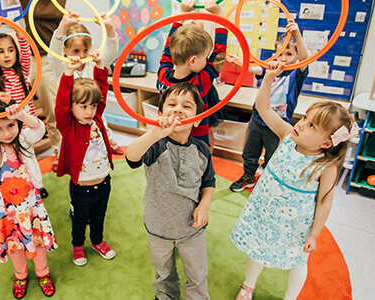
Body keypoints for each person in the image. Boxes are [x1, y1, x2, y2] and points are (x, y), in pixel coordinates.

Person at [230, 61, 357, 300]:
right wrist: (268, 78)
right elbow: (264, 108)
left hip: (295, 226)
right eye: (305, 117)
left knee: (297, 262)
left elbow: (324, 202)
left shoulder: (326, 166)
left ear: (326, 143)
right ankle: (248, 286)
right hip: (265, 210)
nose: (300, 123)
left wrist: (314, 235)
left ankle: (290, 297)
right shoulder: (287, 135)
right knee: (257, 250)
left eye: (311, 125)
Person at [126, 82, 216, 300]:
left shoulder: (202, 150)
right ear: (159, 113)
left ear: (197, 119)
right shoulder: (155, 144)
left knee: (197, 273)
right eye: (172, 104)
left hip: (191, 230)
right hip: (158, 228)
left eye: (187, 106)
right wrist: (154, 133)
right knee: (164, 272)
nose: (177, 109)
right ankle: (166, 296)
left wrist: (204, 206)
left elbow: (209, 182)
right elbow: (131, 156)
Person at [0, 95, 57, 299]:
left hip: (31, 204)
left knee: (37, 240)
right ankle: (20, 275)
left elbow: (40, 129)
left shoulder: (24, 137)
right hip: (7, 207)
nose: (6, 133)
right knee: (15, 245)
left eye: (11, 125)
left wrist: (23, 115)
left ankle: (43, 272)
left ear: (18, 124)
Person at [228, 19, 309, 192]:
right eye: (279, 53)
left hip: (278, 126)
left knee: (273, 157)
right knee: (250, 153)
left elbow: (304, 58)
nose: (283, 59)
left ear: (295, 57)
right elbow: (253, 69)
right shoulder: (269, 69)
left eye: (288, 54)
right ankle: (248, 176)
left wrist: (297, 35)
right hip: (257, 121)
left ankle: (268, 182)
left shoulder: (296, 74)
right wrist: (239, 63)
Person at [55, 54, 116, 266]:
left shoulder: (96, 116)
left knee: (99, 218)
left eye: (92, 106)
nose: (90, 111)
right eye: (83, 106)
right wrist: (69, 73)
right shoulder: (67, 125)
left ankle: (97, 241)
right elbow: (61, 103)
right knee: (80, 221)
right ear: (71, 107)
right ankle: (77, 246)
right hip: (81, 189)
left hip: (103, 183)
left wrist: (100, 67)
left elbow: (102, 92)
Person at [49, 9, 125, 172]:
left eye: (85, 50)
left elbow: (110, 54)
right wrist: (63, 26)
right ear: (65, 51)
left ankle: (109, 142)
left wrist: (110, 29)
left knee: (102, 127)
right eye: (76, 51)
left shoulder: (92, 63)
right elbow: (53, 53)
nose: (82, 55)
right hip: (70, 116)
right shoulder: (61, 65)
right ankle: (60, 155)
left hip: (93, 110)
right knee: (67, 138)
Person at [0, 19, 49, 199]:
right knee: (7, 156)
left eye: (11, 50)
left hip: (24, 124)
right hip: (6, 125)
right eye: (1, 51)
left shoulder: (23, 71)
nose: (6, 55)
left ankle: (37, 184)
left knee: (28, 154)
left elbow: (26, 52)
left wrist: (18, 31)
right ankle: (9, 183)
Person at [156, 0, 226, 151]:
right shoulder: (199, 83)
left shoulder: (163, 76)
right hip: (196, 145)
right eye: (206, 56)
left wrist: (182, 13)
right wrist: (219, 15)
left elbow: (168, 48)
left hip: (166, 140)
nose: (208, 60)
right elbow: (220, 53)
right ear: (193, 60)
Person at [19, 0, 66, 171]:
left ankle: (75, 148)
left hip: (60, 55)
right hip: (39, 58)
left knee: (69, 107)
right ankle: (60, 151)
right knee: (53, 110)